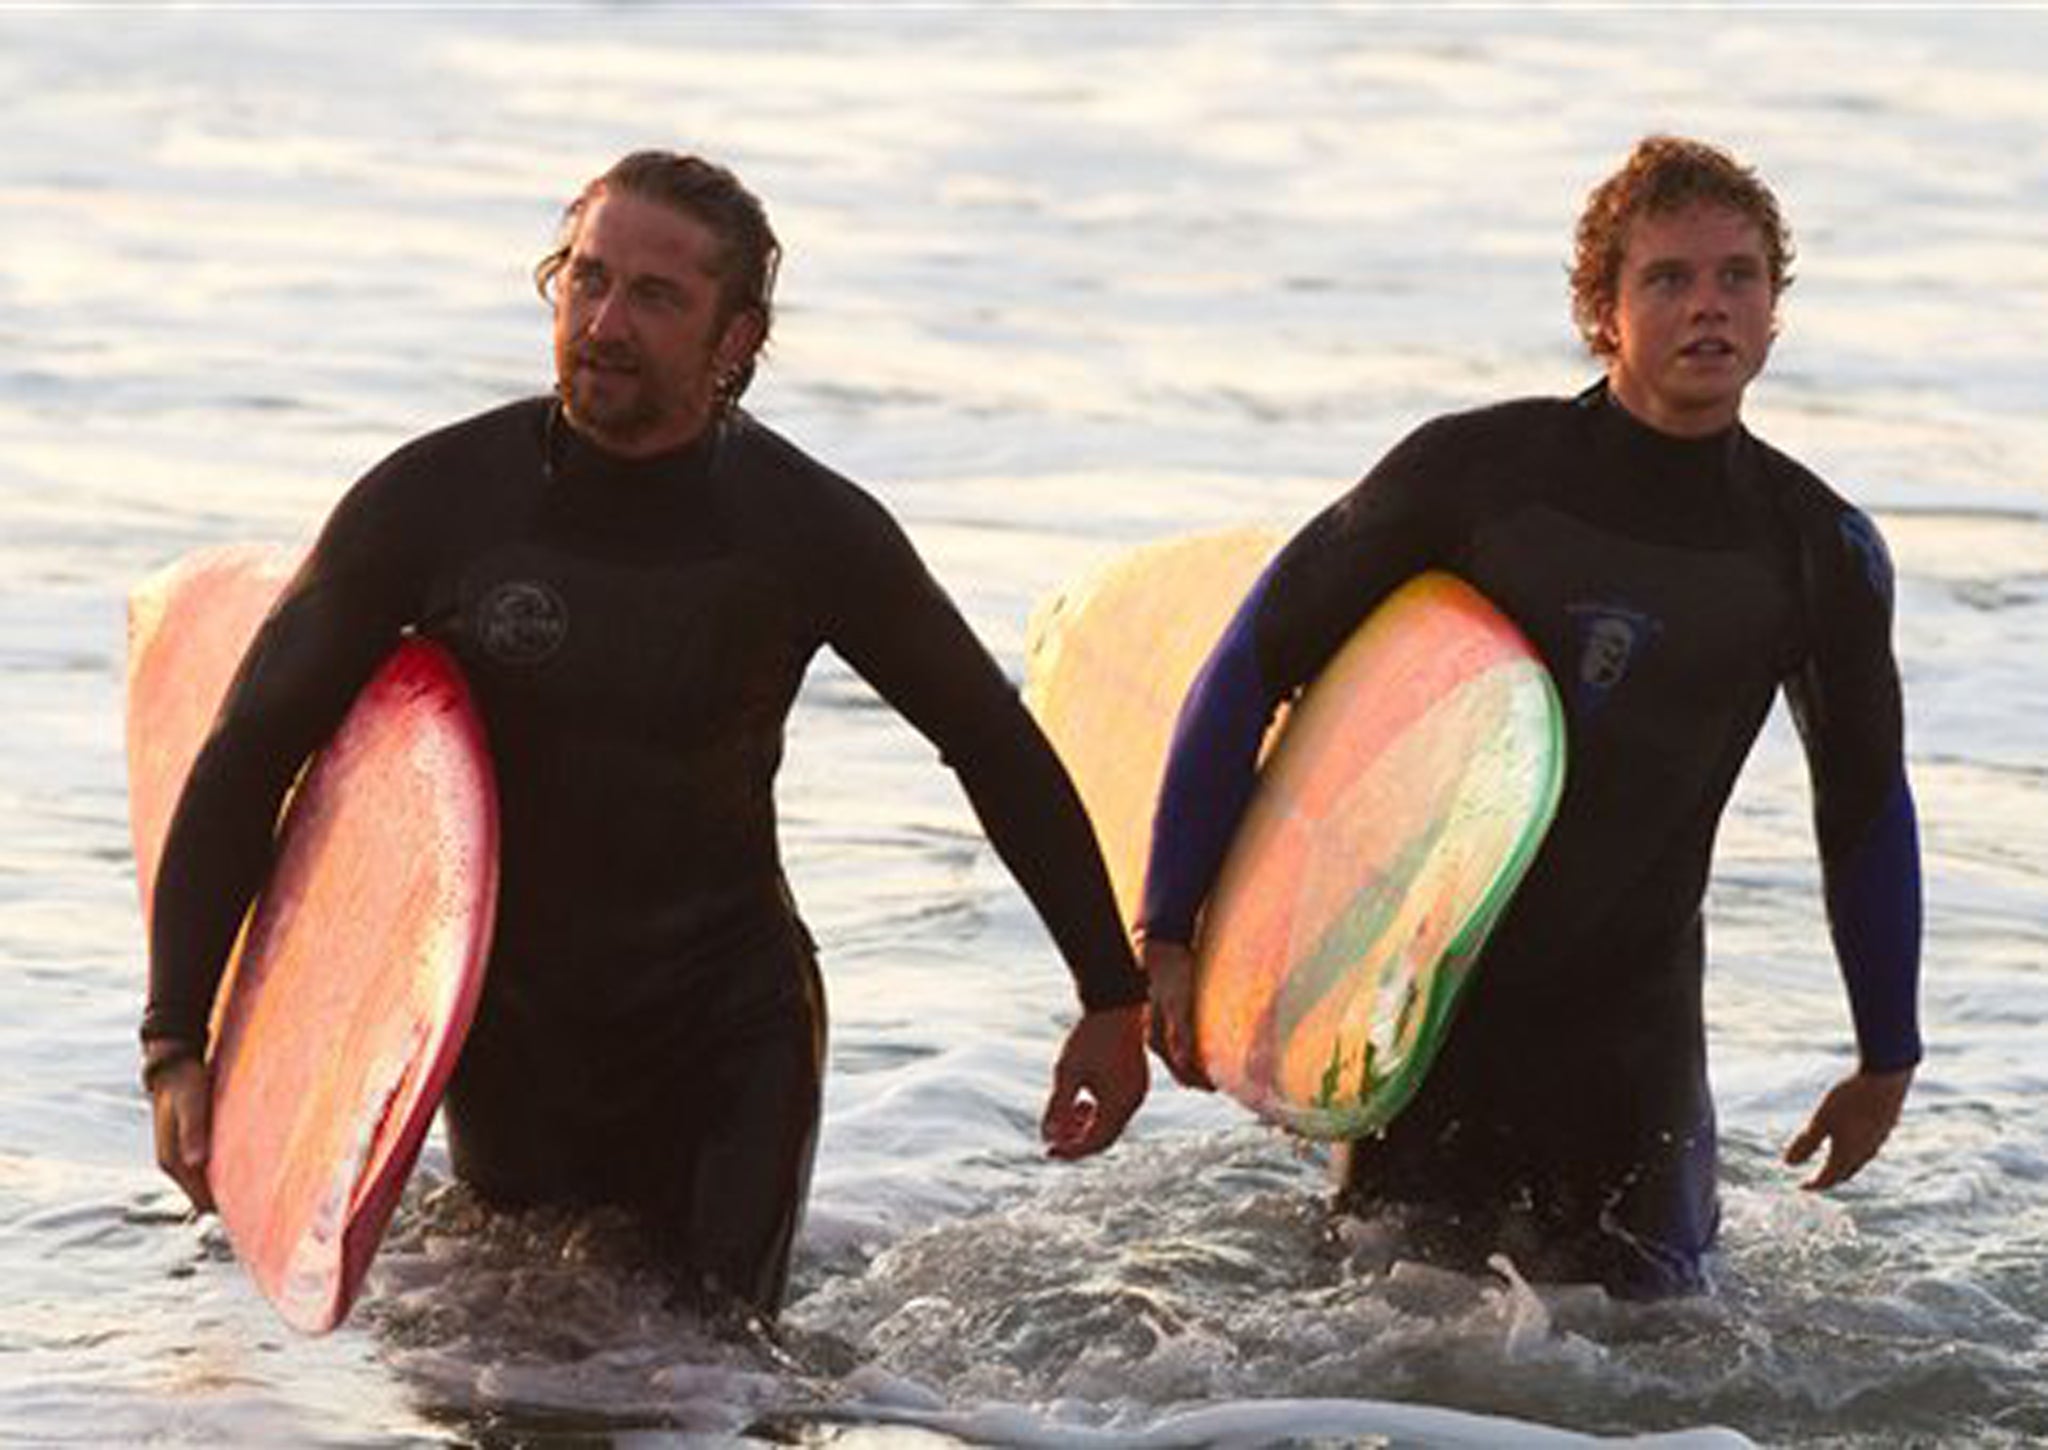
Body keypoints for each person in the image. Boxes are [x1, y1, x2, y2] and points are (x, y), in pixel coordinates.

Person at [140, 149, 1149, 1320]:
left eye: (655, 297)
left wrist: (1107, 995)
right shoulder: (436, 503)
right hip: (507, 1036)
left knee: (712, 1379)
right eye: (584, 279)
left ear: (737, 337)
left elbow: (989, 742)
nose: (604, 323)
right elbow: (249, 752)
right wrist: (179, 1039)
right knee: (510, 1395)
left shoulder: (804, 529)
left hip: (729, 1028)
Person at [1136, 135, 1921, 1298]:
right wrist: (1169, 929)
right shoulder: (1474, 478)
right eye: (1665, 278)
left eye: (1737, 276)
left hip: (1635, 1041)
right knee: (1373, 1341)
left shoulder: (1815, 548)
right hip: (1427, 1021)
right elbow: (1249, 667)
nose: (1707, 306)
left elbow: (1859, 805)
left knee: (1652, 1371)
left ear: (1773, 308)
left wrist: (1884, 1052)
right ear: (1599, 312)